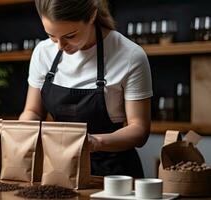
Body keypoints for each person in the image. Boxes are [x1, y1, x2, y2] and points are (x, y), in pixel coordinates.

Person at [19, 0, 153, 178]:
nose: (60, 46)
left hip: (114, 175)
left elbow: (139, 129)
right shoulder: (43, 52)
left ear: (92, 15)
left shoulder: (130, 56)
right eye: (52, 36)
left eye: (70, 35)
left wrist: (95, 142)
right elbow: (33, 111)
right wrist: (22, 133)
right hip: (60, 170)